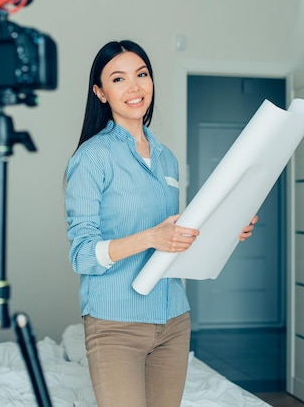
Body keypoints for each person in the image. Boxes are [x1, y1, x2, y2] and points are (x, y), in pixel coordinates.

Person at [64, 40, 257, 407]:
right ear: (100, 92)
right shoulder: (92, 158)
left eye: (142, 74)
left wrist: (228, 229)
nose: (135, 87)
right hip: (114, 323)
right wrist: (151, 237)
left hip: (173, 320)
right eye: (118, 79)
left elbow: (176, 238)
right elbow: (82, 256)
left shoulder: (166, 158)